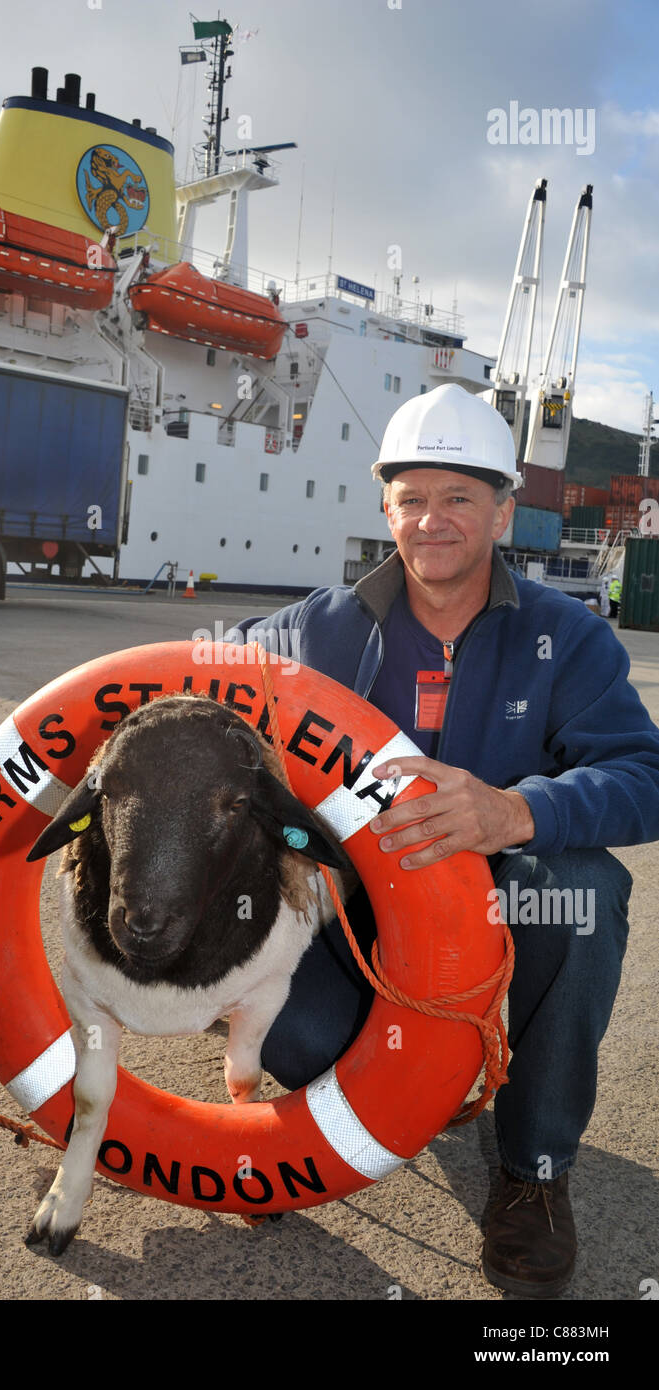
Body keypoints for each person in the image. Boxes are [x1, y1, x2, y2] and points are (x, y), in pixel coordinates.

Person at [225, 382, 659, 1299]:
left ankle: (533, 1172)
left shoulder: (567, 638)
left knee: (581, 889)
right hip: (357, 921)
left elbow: (642, 778)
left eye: (459, 497)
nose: (433, 520)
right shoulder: (317, 629)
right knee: (298, 1041)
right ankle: (364, 1095)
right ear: (386, 508)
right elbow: (199, 696)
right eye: (412, 498)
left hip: (504, 914)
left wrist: (512, 811)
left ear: (504, 511)